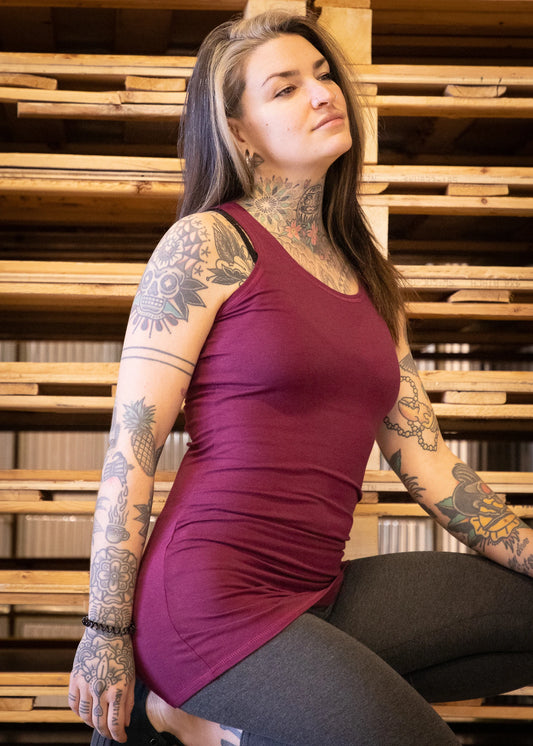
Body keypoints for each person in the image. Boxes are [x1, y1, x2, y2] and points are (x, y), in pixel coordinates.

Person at [69, 10, 533, 746]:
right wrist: (104, 629)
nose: (322, 93)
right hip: (208, 603)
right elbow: (133, 446)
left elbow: (429, 463)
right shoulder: (208, 244)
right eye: (285, 88)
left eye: (322, 75)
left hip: (320, 588)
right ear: (240, 132)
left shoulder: (368, 275)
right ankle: (204, 713)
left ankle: (230, 724)